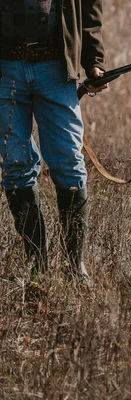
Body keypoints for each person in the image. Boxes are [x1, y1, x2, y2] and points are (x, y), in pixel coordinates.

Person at [0, 0, 108, 285]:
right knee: (16, 166)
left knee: (70, 164)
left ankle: (76, 269)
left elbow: (89, 7)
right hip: (5, 68)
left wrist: (93, 60)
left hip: (55, 67)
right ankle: (37, 269)